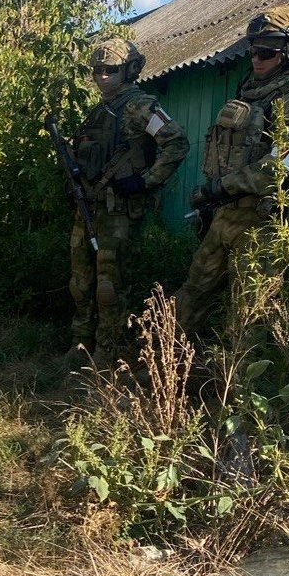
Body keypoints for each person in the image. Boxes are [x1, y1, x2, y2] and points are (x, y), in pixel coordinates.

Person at [174, 6, 289, 338]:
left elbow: (282, 163)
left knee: (249, 314)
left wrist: (219, 187)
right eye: (253, 49)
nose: (256, 58)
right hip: (225, 214)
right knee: (191, 295)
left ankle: (238, 384)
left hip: (262, 221)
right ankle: (161, 368)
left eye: (266, 51)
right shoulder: (248, 92)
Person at [64, 38, 190, 368]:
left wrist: (144, 182)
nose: (102, 76)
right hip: (89, 206)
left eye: (111, 70)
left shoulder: (141, 106)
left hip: (119, 210)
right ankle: (81, 343)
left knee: (109, 284)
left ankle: (108, 351)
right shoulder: (97, 112)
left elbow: (176, 144)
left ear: (130, 70)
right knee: (80, 281)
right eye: (97, 71)